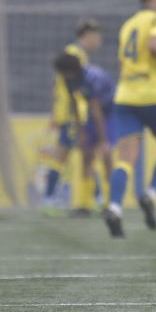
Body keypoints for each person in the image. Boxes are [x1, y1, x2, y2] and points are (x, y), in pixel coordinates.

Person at [103, 0, 156, 238]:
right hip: (153, 96)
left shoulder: (128, 24)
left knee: (125, 158)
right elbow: (153, 45)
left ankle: (114, 208)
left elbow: (121, 62)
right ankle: (150, 194)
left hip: (125, 96)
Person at [41, 19, 103, 216]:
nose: (99, 41)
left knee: (70, 156)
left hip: (70, 114)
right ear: (87, 36)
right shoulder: (75, 55)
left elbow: (58, 86)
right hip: (74, 116)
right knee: (74, 155)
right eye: (97, 36)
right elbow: (73, 89)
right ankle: (96, 200)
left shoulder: (75, 54)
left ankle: (93, 199)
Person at [52, 54, 116, 216]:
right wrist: (81, 132)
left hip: (112, 113)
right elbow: (74, 103)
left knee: (106, 157)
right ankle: (85, 204)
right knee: (86, 156)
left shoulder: (92, 78)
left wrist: (103, 140)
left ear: (70, 70)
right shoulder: (68, 79)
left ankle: (110, 204)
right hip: (93, 114)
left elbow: (97, 110)